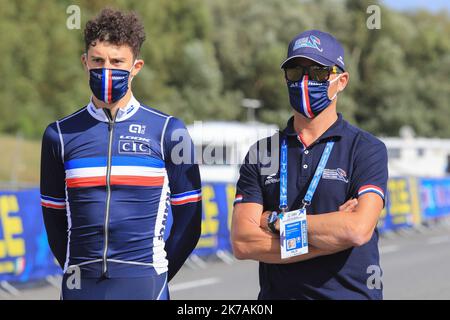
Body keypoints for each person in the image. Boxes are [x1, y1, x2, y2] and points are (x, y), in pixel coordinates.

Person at [40, 8, 202, 300]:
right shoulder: (59, 135)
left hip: (144, 283)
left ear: (136, 66)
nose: (107, 70)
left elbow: (190, 222)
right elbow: (53, 219)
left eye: (117, 62)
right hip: (81, 285)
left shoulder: (169, 131)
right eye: (98, 61)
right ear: (84, 62)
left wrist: (158, 274)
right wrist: (74, 268)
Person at [231, 30, 388, 300]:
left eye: (317, 72)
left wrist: (275, 221)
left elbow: (358, 229)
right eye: (294, 72)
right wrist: (330, 240)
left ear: (342, 81)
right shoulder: (262, 152)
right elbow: (243, 242)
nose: (304, 81)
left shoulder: (366, 148)